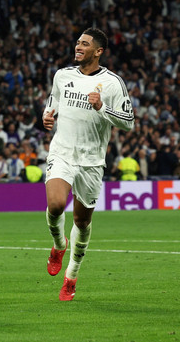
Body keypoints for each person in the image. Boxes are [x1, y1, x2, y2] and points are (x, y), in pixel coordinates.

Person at [42, 28, 134, 301]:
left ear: (99, 52)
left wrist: (101, 107)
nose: (78, 47)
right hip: (63, 153)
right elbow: (53, 100)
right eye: (78, 43)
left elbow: (128, 122)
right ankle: (59, 245)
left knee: (82, 222)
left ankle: (71, 276)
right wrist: (48, 114)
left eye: (85, 44)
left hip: (92, 162)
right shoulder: (63, 75)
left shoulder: (113, 83)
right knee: (56, 204)